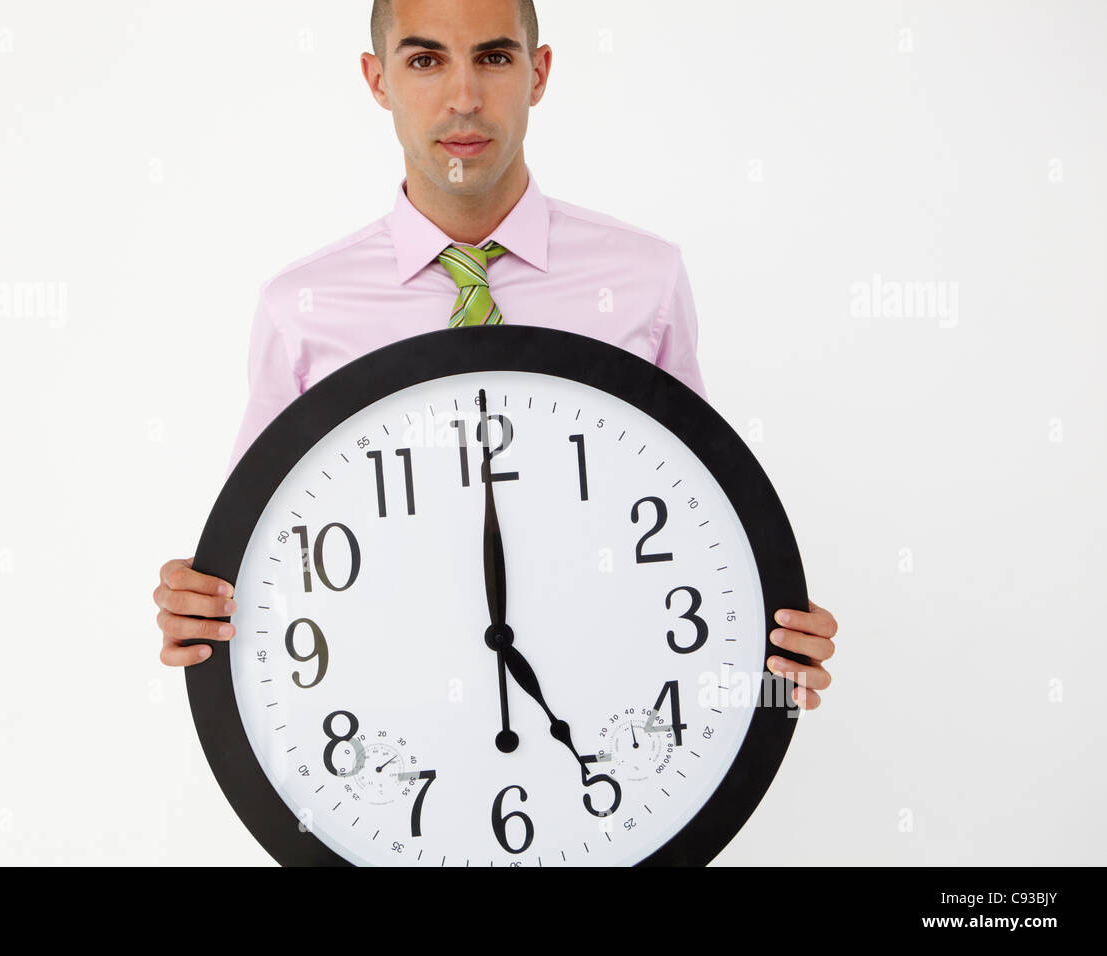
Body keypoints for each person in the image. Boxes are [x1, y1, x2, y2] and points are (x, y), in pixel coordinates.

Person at [154, 0, 837, 708]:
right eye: (425, 61)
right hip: (397, 695)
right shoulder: (302, 308)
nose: (463, 99)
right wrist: (197, 602)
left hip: (594, 687)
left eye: (493, 57)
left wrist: (769, 631)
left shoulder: (644, 282)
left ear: (538, 72)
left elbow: (700, 518)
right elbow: (256, 561)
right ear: (377, 79)